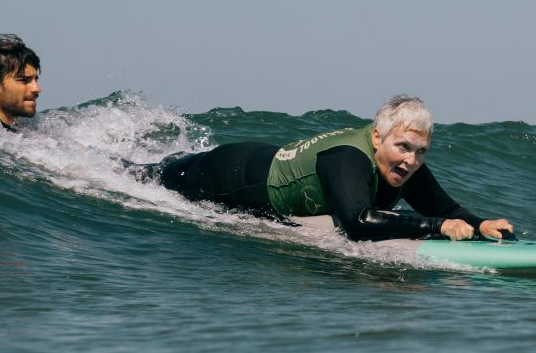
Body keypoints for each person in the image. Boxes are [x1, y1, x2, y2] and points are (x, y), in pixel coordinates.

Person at [148, 94, 513, 242]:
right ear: (376, 138)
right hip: (229, 174)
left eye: (420, 152)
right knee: (146, 177)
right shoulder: (348, 159)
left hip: (260, 157)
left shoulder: (406, 167)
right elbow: (357, 223)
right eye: (403, 147)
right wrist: (437, 228)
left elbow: (443, 208)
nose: (411, 160)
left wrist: (480, 224)